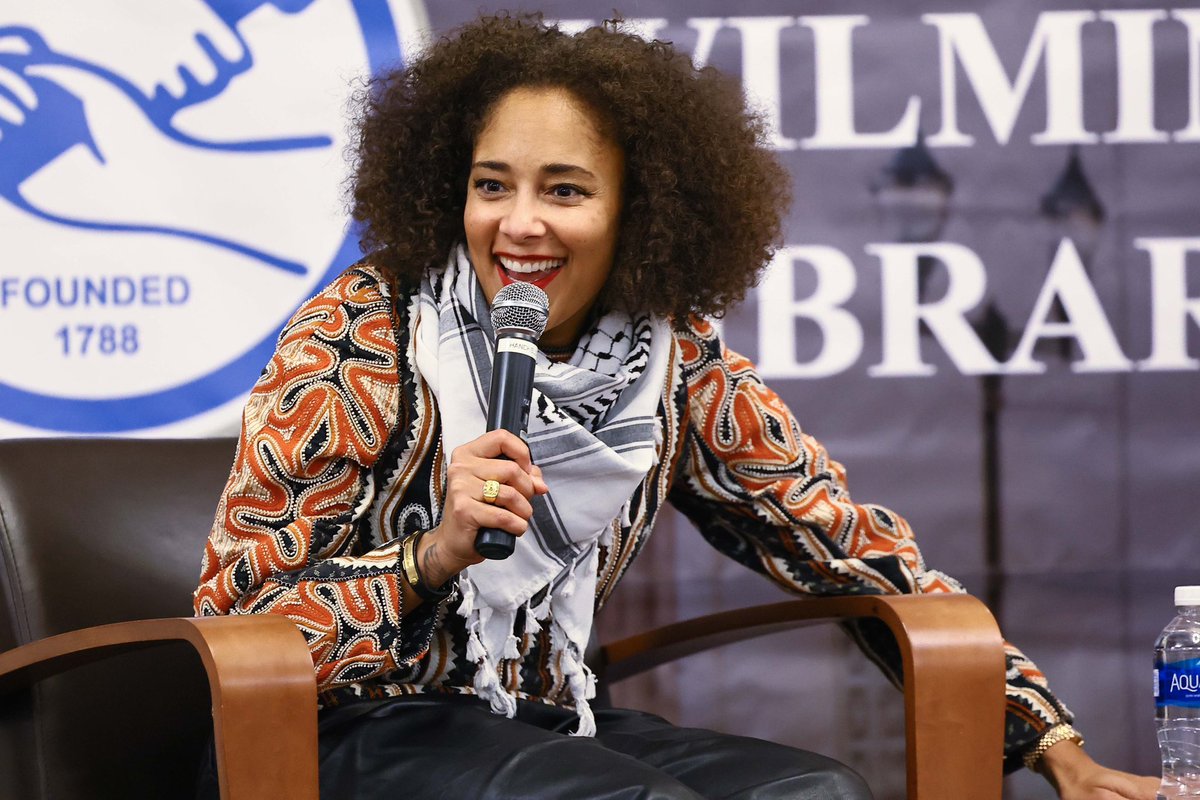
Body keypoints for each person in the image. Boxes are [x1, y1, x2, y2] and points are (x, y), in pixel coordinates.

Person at [194, 13, 1158, 800]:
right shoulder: (360, 333)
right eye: (492, 186)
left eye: (564, 191)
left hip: (543, 721)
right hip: (336, 737)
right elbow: (238, 630)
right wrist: (428, 556)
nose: (518, 224)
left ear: (638, 213)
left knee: (816, 794)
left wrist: (1054, 748)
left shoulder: (672, 361)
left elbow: (849, 550)